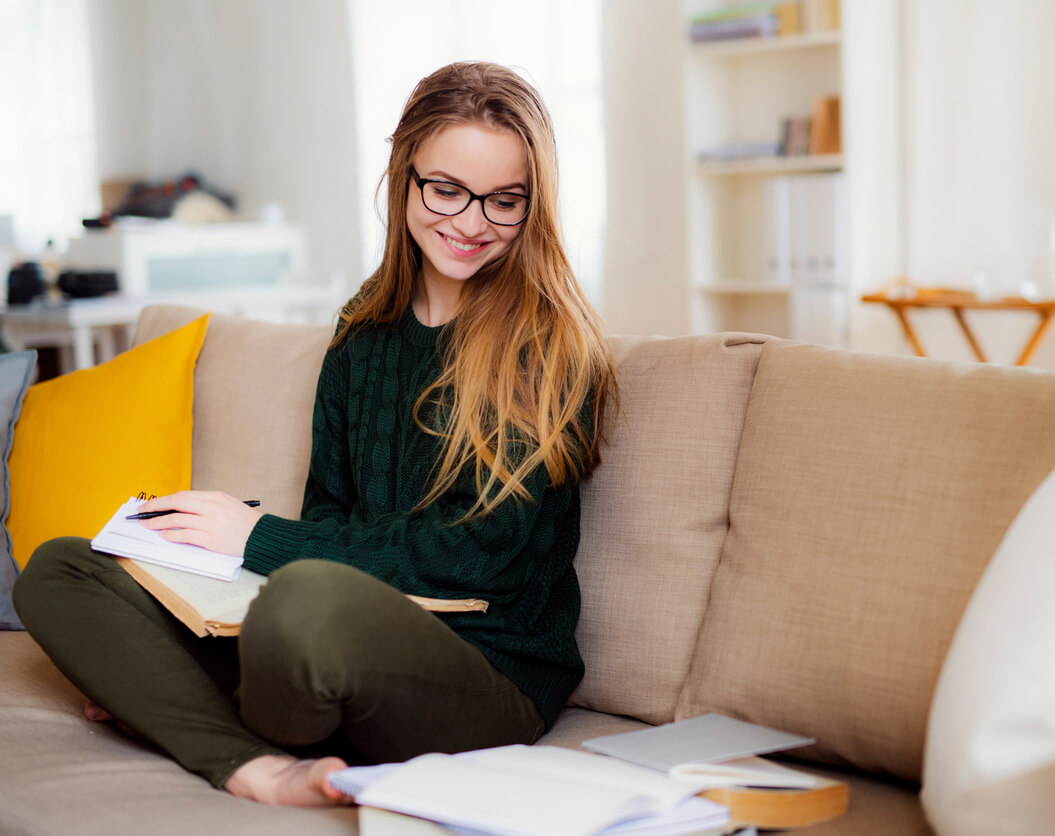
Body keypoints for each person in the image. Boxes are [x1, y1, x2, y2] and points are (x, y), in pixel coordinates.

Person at [13, 61, 616, 807]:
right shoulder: (364, 329)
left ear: (535, 204)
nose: (470, 222)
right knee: (63, 568)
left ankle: (172, 702)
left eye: (505, 201)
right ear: (404, 177)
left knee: (304, 602)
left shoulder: (549, 346)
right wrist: (219, 555)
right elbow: (332, 513)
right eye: (448, 189)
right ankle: (255, 765)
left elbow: (475, 559)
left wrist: (256, 538)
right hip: (338, 643)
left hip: (487, 673)